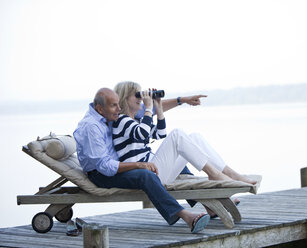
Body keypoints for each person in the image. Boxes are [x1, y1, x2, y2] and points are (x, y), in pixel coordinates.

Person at [73, 88, 210, 234]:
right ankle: (185, 216)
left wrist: (181, 100)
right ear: (100, 109)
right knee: (145, 175)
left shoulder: (107, 114)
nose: (119, 109)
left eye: (119, 104)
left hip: (112, 167)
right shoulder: (91, 126)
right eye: (114, 105)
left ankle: (208, 204)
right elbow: (105, 166)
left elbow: (147, 109)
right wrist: (139, 165)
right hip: (101, 175)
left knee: (178, 164)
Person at [112, 81, 257, 186]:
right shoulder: (121, 121)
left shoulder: (136, 121)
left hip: (155, 170)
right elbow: (143, 134)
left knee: (195, 138)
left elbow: (160, 134)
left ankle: (229, 173)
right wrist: (149, 108)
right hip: (146, 175)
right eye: (137, 96)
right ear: (124, 98)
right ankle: (214, 174)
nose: (141, 99)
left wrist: (158, 107)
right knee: (177, 135)